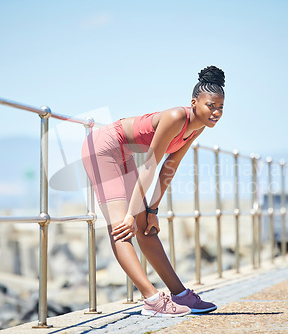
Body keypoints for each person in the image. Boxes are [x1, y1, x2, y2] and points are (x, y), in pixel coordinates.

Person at [81, 66, 225, 317]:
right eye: (211, 106)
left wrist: (152, 210)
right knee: (122, 227)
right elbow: (150, 165)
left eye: (220, 108)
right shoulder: (175, 117)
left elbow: (171, 165)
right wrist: (130, 214)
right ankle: (151, 300)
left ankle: (180, 294)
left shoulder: (197, 126)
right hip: (102, 150)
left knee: (146, 226)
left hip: (123, 154)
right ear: (194, 102)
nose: (216, 112)